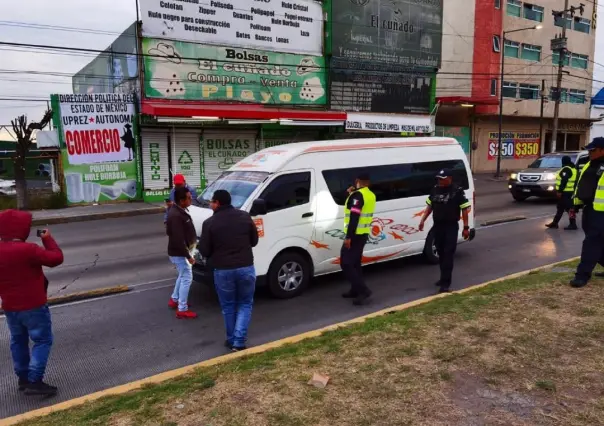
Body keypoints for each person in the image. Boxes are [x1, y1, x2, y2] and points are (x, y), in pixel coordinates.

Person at [0, 209, 64, 396]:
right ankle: (35, 380)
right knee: (42, 340)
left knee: (18, 341)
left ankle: (23, 377)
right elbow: (56, 258)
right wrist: (47, 239)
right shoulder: (29, 250)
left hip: (10, 307)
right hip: (34, 305)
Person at [200, 190, 259, 351]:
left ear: (217, 203)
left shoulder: (209, 223)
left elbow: (204, 251)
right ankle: (239, 341)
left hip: (223, 270)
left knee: (228, 306)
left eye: (212, 202)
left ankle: (232, 339)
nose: (210, 204)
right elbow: (254, 241)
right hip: (246, 266)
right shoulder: (245, 216)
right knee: (245, 304)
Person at [419, 169, 471, 293]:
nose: (440, 181)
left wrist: (466, 228)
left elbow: (464, 210)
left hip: (451, 227)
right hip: (438, 226)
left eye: (442, 178)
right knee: (441, 253)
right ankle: (442, 278)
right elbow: (429, 206)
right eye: (439, 178)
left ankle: (446, 283)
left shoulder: (457, 191)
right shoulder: (435, 189)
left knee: (448, 254)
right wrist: (422, 220)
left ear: (450, 178)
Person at [570, 137, 604, 288]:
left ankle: (582, 275)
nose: (589, 153)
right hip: (590, 209)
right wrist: (575, 204)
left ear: (602, 150)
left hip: (601, 213)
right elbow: (582, 185)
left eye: (593, 150)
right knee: (597, 242)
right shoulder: (589, 164)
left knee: (592, 242)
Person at [340, 173, 376, 306]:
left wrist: (349, 237)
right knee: (355, 263)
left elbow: (354, 216)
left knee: (346, 263)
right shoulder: (370, 195)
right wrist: (350, 194)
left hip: (354, 235)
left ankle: (363, 290)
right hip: (363, 233)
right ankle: (355, 289)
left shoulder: (358, 196)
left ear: (357, 181)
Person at [166, 186, 198, 319]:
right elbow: (178, 239)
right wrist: (188, 256)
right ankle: (182, 308)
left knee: (182, 274)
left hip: (180, 251)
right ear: (181, 200)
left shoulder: (178, 211)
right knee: (187, 278)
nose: (191, 200)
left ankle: (175, 299)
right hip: (180, 253)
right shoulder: (176, 215)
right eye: (189, 198)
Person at [546, 155, 578, 230]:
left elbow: (564, 181)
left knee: (569, 209)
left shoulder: (566, 169)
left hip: (565, 192)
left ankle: (573, 224)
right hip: (570, 192)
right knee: (561, 208)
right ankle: (555, 223)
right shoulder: (573, 168)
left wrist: (560, 191)